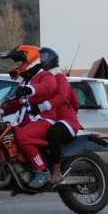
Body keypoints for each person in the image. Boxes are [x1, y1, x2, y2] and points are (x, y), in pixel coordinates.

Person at [0, 45, 58, 188]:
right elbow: (16, 104)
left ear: (29, 60)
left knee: (22, 136)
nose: (16, 66)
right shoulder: (24, 81)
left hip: (43, 120)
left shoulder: (45, 75)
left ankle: (42, 170)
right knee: (6, 134)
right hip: (26, 122)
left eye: (18, 62)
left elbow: (47, 88)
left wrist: (30, 89)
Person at [32, 47, 82, 183]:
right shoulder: (41, 79)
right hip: (50, 118)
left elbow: (70, 101)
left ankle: (57, 173)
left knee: (54, 133)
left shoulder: (59, 77)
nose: (39, 61)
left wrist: (43, 107)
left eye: (42, 58)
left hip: (65, 119)